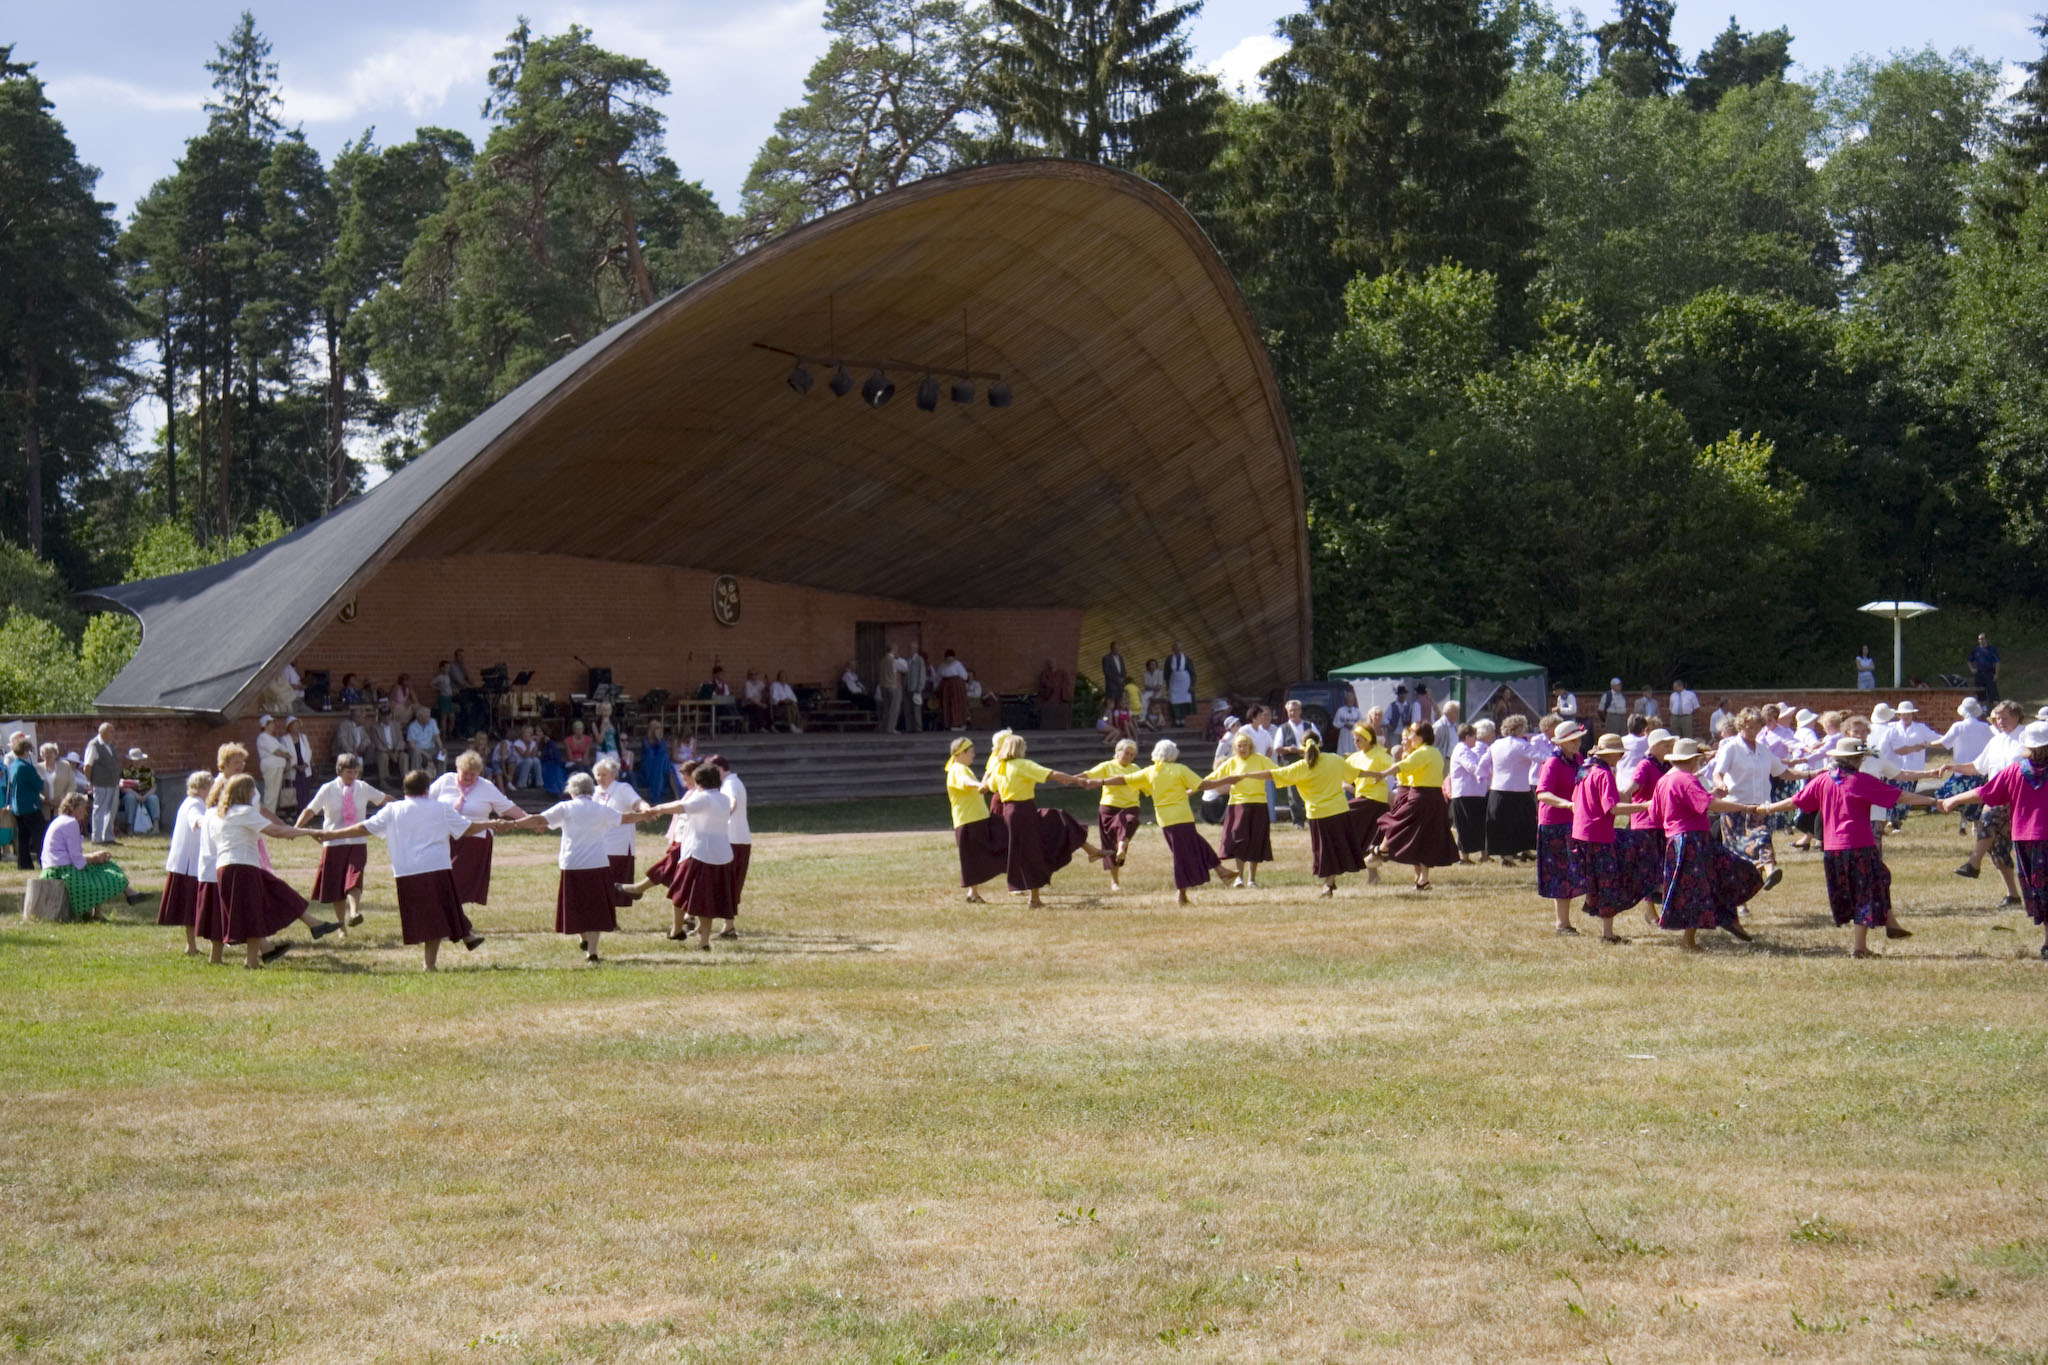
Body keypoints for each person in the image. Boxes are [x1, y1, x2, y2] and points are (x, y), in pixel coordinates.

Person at [1759, 738, 1936, 957]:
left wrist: (1766, 809)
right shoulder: (1861, 781)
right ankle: (1860, 948)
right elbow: (1900, 796)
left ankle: (1891, 923)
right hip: (1859, 845)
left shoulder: (1823, 780)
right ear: (1856, 760)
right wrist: (1934, 802)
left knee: (1880, 876)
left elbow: (1795, 801)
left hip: (1832, 849)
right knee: (1864, 892)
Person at [314, 770, 496, 970]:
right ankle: (433, 961)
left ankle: (463, 937)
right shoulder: (440, 808)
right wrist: (496, 824)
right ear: (427, 789)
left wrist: (331, 834)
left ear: (405, 789)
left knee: (434, 913)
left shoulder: (392, 809)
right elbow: (468, 828)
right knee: (438, 914)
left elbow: (362, 828)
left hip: (406, 871)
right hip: (436, 867)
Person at [200, 775, 336, 968]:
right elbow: (277, 831)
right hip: (243, 866)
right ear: (246, 792)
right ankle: (252, 961)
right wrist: (310, 832)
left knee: (268, 896)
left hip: (225, 868)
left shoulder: (220, 814)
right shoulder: (245, 812)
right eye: (252, 790)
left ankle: (264, 952)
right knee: (252, 911)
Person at [1940, 721, 2048, 958]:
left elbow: (1985, 792)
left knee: (2040, 889)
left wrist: (1955, 799)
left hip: (2027, 838)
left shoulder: (2016, 770)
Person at [1647, 739, 1763, 951]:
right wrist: (1746, 807)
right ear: (1693, 760)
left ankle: (1728, 918)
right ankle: (1689, 941)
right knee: (1699, 888)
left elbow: (1654, 813)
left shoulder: (1664, 781)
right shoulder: (1687, 779)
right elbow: (1710, 805)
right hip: (1692, 840)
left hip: (1676, 841)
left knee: (1715, 878)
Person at [1093, 740, 1225, 906]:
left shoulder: (1150, 772)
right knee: (1183, 854)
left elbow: (1123, 779)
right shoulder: (1180, 769)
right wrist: (1228, 780)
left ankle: (1220, 872)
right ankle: (1182, 894)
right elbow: (1202, 784)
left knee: (1194, 845)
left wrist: (1101, 782)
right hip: (1182, 816)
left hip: (1165, 819)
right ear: (1173, 755)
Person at [982, 733, 1101, 907]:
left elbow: (987, 787)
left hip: (1011, 812)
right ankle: (1034, 899)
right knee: (1032, 851)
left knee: (1056, 818)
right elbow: (1052, 774)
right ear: (1019, 748)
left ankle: (1090, 850)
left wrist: (986, 777)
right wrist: (1076, 779)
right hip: (1023, 810)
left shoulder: (1001, 767)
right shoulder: (1023, 765)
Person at [1351, 722, 1458, 891]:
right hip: (1433, 799)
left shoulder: (1423, 752)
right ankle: (1423, 879)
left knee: (1394, 822)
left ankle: (1382, 850)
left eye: (1413, 735)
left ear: (1422, 737)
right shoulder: (1434, 752)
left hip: (1421, 797)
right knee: (1424, 839)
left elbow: (1403, 767)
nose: (1409, 738)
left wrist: (1382, 775)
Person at [1569, 734, 1650, 943]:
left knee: (1595, 880)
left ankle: (1604, 925)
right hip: (1599, 835)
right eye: (1620, 753)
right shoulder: (1603, 774)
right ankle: (1608, 933)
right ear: (1612, 754)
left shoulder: (1585, 770)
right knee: (1608, 881)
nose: (1622, 757)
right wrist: (1645, 806)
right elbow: (1612, 808)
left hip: (1581, 832)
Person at [297, 753, 391, 931]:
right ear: (339, 770)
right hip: (333, 843)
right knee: (337, 885)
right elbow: (311, 810)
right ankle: (341, 927)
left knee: (355, 876)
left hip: (357, 841)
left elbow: (385, 799)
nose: (352, 775)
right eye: (349, 771)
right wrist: (296, 828)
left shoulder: (362, 787)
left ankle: (355, 913)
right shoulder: (328, 789)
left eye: (355, 771)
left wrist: (406, 807)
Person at [1948, 700, 2028, 902]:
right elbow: (1977, 767)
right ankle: (2012, 894)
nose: (2000, 721)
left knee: (1988, 821)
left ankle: (1974, 862)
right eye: (1997, 718)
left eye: (2004, 717)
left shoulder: (2026, 737)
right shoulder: (1996, 741)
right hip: (1994, 794)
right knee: (1997, 848)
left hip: (2018, 797)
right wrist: (1953, 767)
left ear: (2017, 716)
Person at [1709, 708, 1794, 892]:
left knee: (1762, 838)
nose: (1753, 729)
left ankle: (1769, 869)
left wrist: (1814, 774)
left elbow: (1783, 772)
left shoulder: (1764, 750)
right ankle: (1740, 900)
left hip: (1760, 809)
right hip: (1735, 808)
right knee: (1736, 854)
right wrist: (1721, 784)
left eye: (1757, 726)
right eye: (1749, 725)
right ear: (1741, 725)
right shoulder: (1731, 748)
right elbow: (1718, 772)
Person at [1274, 734, 1368, 897]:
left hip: (1318, 814)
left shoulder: (1301, 766)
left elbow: (1273, 774)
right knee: (1336, 849)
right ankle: (1329, 883)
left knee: (1325, 851)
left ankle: (1328, 884)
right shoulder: (1334, 759)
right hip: (1339, 811)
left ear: (1302, 747)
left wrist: (1243, 776)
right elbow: (1356, 773)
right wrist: (1379, 774)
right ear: (1320, 743)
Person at [429, 751, 523, 909]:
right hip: (444, 838)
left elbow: (509, 807)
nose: (468, 778)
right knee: (440, 880)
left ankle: (456, 922)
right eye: (465, 774)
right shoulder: (445, 781)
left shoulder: (486, 786)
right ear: (457, 769)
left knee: (455, 880)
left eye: (473, 775)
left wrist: (532, 821)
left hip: (475, 840)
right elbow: (425, 801)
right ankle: (455, 921)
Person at [37, 792, 146, 919]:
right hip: (62, 871)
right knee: (103, 869)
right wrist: (95, 857)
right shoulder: (70, 823)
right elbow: (76, 859)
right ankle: (126, 894)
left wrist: (94, 857)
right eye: (83, 809)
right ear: (74, 809)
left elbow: (70, 855)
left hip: (53, 868)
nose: (85, 813)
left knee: (101, 865)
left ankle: (125, 896)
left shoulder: (59, 821)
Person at [1534, 721, 1589, 933]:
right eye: (1573, 740)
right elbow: (1543, 793)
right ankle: (1562, 923)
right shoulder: (1553, 763)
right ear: (1562, 742)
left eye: (1579, 739)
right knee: (1560, 873)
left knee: (1571, 871)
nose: (1577, 743)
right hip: (1554, 824)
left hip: (1573, 821)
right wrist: (1567, 803)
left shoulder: (1578, 759)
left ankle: (1565, 922)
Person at [1206, 730, 1278, 888]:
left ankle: (1252, 879)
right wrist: (1193, 787)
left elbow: (1276, 773)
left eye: (1246, 745)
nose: (1243, 748)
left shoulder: (1261, 760)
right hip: (1237, 805)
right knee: (1239, 839)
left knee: (1256, 840)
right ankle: (1239, 877)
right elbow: (1213, 777)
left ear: (1251, 746)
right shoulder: (1232, 762)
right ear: (1235, 748)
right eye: (1240, 745)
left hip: (1258, 804)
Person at [943, 738, 1009, 902]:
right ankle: (973, 893)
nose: (973, 755)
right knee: (975, 856)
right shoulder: (958, 769)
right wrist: (978, 784)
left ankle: (973, 893)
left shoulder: (962, 768)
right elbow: (966, 782)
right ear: (961, 753)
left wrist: (984, 781)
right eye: (971, 752)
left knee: (978, 855)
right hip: (969, 821)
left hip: (978, 819)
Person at [1616, 729, 1674, 909]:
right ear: (1654, 746)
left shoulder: (1667, 766)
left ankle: (1661, 905)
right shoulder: (1646, 765)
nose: (1669, 748)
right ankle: (1650, 910)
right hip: (1645, 823)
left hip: (1663, 821)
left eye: (1670, 744)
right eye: (1665, 745)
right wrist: (1621, 796)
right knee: (1649, 867)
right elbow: (1632, 788)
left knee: (1663, 866)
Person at [159, 770, 213, 954]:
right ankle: (191, 946)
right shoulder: (193, 804)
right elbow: (196, 821)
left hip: (190, 863)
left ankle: (192, 946)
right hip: (189, 865)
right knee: (190, 908)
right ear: (204, 787)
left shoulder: (196, 803)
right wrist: (213, 822)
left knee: (191, 908)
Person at [1084, 739, 1145, 891]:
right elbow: (1088, 774)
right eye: (1126, 753)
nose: (1128, 757)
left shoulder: (1135, 768)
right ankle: (1115, 881)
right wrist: (1071, 779)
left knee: (1130, 820)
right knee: (1110, 845)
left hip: (1130, 806)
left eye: (1132, 754)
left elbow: (1146, 783)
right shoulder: (1107, 766)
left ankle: (1122, 847)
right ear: (1118, 752)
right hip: (1109, 808)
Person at [1484, 714, 1539, 868]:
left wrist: (1484, 779)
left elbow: (1483, 764)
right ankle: (1521, 851)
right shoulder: (1522, 745)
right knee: (1522, 823)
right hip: (1519, 790)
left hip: (1498, 789)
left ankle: (1507, 856)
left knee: (1502, 824)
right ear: (1520, 728)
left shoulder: (1495, 745)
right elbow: (1541, 757)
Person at [1344, 722, 1395, 880]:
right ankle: (1373, 875)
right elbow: (1342, 774)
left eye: (1358, 739)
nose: (1356, 743)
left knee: (1358, 828)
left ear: (1367, 739)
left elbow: (1396, 768)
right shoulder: (1354, 758)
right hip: (1362, 799)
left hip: (1376, 802)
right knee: (1364, 837)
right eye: (1354, 739)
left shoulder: (1381, 756)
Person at [593, 756, 646, 894]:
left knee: (615, 884)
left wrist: (646, 809)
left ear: (613, 775)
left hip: (619, 845)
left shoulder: (623, 788)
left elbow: (637, 802)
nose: (600, 778)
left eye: (604, 774)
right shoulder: (594, 792)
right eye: (598, 775)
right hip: (597, 844)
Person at [1446, 723, 1492, 864]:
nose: (1475, 740)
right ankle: (1464, 857)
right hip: (1465, 793)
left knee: (1477, 825)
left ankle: (1482, 854)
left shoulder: (1468, 750)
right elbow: (1472, 767)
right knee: (1466, 826)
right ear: (1467, 736)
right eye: (1473, 736)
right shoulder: (1462, 750)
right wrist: (1489, 773)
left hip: (1473, 793)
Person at [1272, 700, 1321, 826]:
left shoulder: (1310, 725)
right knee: (1293, 793)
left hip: (1309, 762)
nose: (1293, 713)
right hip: (1292, 762)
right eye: (1290, 711)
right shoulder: (1283, 728)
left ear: (1300, 711)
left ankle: (1313, 818)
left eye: (1295, 710)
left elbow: (1320, 742)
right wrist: (1290, 749)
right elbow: (1277, 748)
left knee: (1312, 789)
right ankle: (1298, 821)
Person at [6, 736, 47, 871]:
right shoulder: (26, 767)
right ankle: (44, 862)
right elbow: (38, 784)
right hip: (30, 806)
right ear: (25, 751)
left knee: (23, 837)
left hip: (18, 807)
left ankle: (24, 864)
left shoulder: (13, 765)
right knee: (39, 835)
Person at [80, 721, 122, 845]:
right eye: (111, 731)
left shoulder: (110, 746)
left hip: (113, 784)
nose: (113, 734)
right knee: (100, 810)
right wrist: (90, 781)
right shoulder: (94, 745)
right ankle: (97, 838)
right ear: (102, 732)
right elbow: (87, 766)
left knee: (111, 810)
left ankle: (108, 836)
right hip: (100, 783)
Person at [118, 748, 159, 836]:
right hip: (132, 794)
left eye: (139, 760)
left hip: (146, 795)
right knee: (129, 798)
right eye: (135, 760)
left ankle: (156, 827)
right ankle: (130, 827)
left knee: (153, 798)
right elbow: (123, 787)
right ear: (131, 761)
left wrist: (145, 796)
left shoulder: (149, 771)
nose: (138, 762)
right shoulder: (126, 772)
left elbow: (154, 787)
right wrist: (137, 796)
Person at [635, 721, 676, 804]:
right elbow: (650, 754)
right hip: (648, 769)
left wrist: (659, 740)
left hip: (659, 770)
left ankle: (657, 796)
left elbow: (663, 753)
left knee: (663, 757)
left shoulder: (662, 741)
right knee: (661, 760)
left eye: (660, 728)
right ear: (652, 729)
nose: (659, 730)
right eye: (657, 728)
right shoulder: (645, 740)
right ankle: (658, 796)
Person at [283, 715, 315, 812]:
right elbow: (286, 754)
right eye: (294, 725)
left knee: (305, 790)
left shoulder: (303, 737)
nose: (297, 727)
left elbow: (308, 751)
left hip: (304, 768)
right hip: (294, 769)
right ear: (289, 727)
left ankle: (304, 811)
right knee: (295, 791)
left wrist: (305, 764)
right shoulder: (284, 739)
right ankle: (295, 812)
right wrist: (296, 766)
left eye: (298, 725)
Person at [405, 706, 445, 775]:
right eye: (426, 717)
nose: (429, 718)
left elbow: (436, 737)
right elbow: (412, 746)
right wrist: (424, 753)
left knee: (442, 754)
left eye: (429, 716)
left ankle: (440, 777)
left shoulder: (432, 722)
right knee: (416, 754)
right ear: (420, 717)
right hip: (419, 751)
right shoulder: (412, 726)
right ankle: (416, 778)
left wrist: (441, 747)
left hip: (431, 749)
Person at [1164, 644, 1195, 726]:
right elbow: (1166, 671)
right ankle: (1176, 719)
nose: (1177, 649)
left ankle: (1182, 720)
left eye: (1179, 648)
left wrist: (1192, 685)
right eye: (1175, 647)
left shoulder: (1187, 658)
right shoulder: (1169, 659)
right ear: (1172, 649)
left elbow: (1192, 672)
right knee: (1174, 701)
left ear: (1182, 648)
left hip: (1185, 681)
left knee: (1184, 701)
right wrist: (1167, 684)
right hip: (1174, 681)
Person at [1969, 632, 2001, 705]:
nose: (1981, 641)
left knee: (1993, 694)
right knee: (1980, 695)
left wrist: (1996, 674)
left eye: (1982, 639)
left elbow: (1997, 662)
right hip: (1979, 674)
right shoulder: (1976, 650)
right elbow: (1969, 661)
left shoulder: (1992, 649)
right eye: (1979, 639)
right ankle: (1983, 711)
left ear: (1986, 640)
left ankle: (1997, 711)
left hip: (1989, 673)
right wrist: (1972, 669)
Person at [879, 647, 904, 733]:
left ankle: (884, 727)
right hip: (893, 685)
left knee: (886, 708)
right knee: (894, 708)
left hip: (883, 686)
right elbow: (905, 668)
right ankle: (891, 728)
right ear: (894, 650)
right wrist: (899, 658)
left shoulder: (882, 660)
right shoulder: (894, 660)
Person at [1101, 642, 1128, 707]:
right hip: (1111, 685)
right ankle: (1109, 717)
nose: (1117, 650)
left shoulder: (1121, 658)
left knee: (1119, 704)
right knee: (1110, 705)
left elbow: (1123, 670)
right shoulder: (1106, 658)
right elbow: (1106, 672)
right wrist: (1117, 679)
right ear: (1111, 648)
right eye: (1115, 648)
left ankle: (1117, 716)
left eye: (1118, 648)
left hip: (1120, 686)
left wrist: (1123, 678)